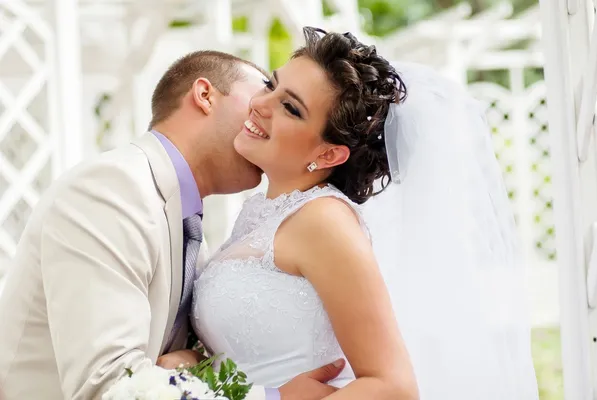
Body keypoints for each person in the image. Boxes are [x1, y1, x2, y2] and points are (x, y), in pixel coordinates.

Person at [163, 27, 540, 399]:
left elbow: (392, 386)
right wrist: (191, 366)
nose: (261, 105)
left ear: (328, 154)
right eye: (270, 86)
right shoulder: (263, 211)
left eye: (290, 108)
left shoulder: (323, 220)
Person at [0, 50, 346, 400]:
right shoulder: (113, 189)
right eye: (263, 91)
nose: (264, 110)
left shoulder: (186, 224)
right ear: (205, 95)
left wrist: (190, 363)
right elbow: (109, 383)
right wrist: (273, 397)